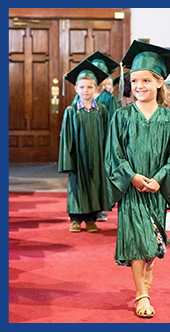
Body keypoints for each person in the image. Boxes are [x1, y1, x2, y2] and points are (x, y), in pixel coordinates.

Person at [105, 40, 170, 318]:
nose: (139, 85)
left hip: (156, 190)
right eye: (134, 80)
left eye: (146, 80)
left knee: (152, 244)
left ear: (160, 82)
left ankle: (147, 270)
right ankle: (142, 294)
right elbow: (113, 154)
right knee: (138, 241)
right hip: (132, 189)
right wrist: (132, 177)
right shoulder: (122, 116)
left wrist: (160, 179)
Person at [58, 59, 110, 233]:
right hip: (77, 156)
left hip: (97, 156)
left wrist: (107, 157)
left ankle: (91, 220)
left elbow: (107, 134)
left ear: (96, 89)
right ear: (76, 89)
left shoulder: (101, 110)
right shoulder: (71, 111)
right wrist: (68, 159)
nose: (85, 91)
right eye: (82, 87)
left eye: (89, 87)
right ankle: (75, 219)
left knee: (95, 184)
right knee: (77, 185)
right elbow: (66, 137)